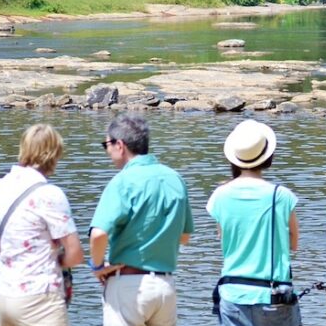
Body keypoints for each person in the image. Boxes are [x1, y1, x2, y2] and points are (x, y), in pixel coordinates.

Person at [0, 123, 83, 326]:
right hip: (41, 297)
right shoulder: (50, 194)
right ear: (54, 154)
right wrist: (58, 260)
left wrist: (8, 248)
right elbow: (75, 254)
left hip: (6, 295)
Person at [89, 114, 193, 326]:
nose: (107, 151)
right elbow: (183, 237)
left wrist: (97, 266)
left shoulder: (122, 182)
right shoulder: (175, 178)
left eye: (106, 144)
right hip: (165, 286)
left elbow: (98, 234)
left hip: (128, 286)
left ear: (120, 145)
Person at [207, 119, 301, 325]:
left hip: (233, 294)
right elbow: (294, 244)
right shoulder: (282, 196)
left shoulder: (220, 195)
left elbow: (223, 236)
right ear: (267, 156)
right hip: (274, 295)